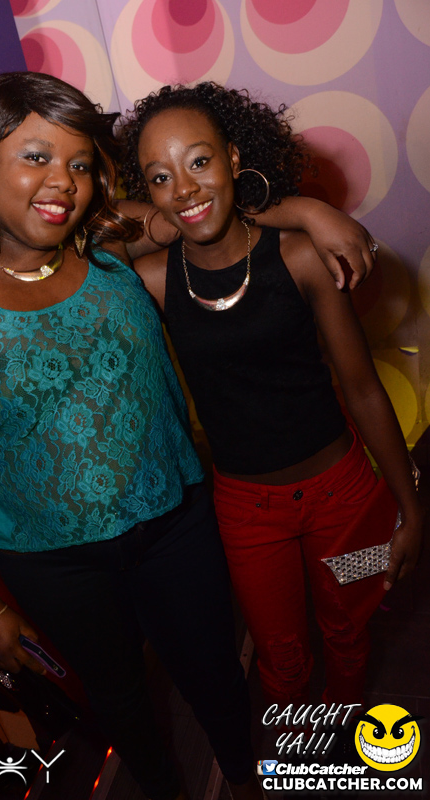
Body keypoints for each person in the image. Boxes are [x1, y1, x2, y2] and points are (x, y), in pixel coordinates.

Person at [0, 71, 381, 800]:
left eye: (80, 163)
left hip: (177, 523)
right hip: (54, 562)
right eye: (36, 156)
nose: (62, 182)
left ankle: (247, 778)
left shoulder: (102, 244)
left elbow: (197, 210)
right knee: (121, 699)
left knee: (217, 673)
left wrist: (309, 211)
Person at [119, 82, 423, 712]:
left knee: (349, 634)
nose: (184, 188)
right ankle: (298, 756)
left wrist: (411, 506)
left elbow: (363, 390)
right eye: (160, 177)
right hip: (247, 512)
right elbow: (85, 241)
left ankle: (346, 748)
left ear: (234, 157)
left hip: (344, 496)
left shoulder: (302, 258)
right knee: (280, 661)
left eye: (200, 161)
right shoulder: (151, 281)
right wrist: (297, 207)